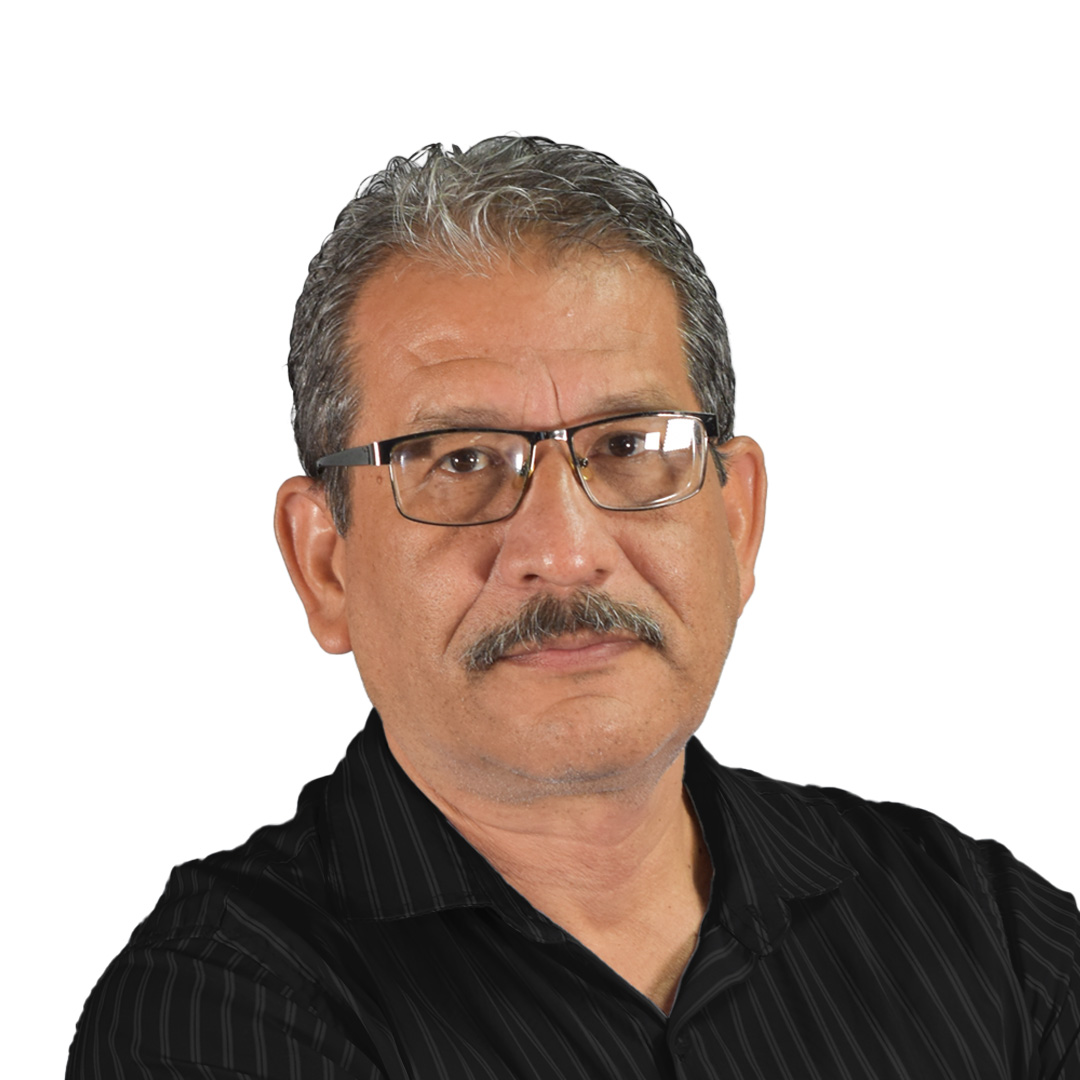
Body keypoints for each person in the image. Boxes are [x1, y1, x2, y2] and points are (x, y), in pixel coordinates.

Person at [67, 136, 1079, 1079]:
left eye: (628, 446)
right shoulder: (215, 1010)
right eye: (460, 460)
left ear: (736, 523)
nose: (563, 552)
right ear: (324, 564)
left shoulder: (987, 936)